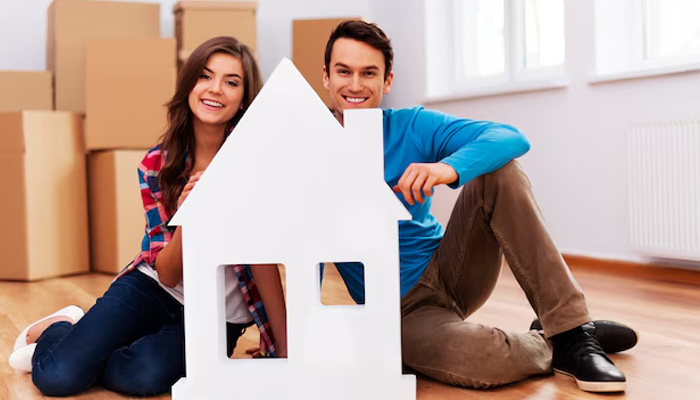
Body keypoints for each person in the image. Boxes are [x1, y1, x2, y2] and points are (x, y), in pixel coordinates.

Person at [321, 20, 638, 393]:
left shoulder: (412, 126)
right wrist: (287, 340)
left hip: (452, 269)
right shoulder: (313, 151)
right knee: (488, 361)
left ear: (387, 81)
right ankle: (564, 337)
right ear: (326, 76)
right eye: (344, 72)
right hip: (402, 313)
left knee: (499, 171)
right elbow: (301, 246)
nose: (355, 85)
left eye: (368, 73)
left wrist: (447, 168)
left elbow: (510, 137)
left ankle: (569, 326)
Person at [8, 36, 287, 397]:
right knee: (57, 376)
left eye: (231, 82)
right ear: (189, 85)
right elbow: (168, 273)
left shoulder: (254, 164)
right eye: (205, 76)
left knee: (140, 377)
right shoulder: (158, 164)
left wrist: (283, 348)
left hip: (215, 316)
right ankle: (65, 324)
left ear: (244, 98)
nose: (215, 89)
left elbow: (262, 262)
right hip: (152, 287)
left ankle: (88, 343)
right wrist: (192, 215)